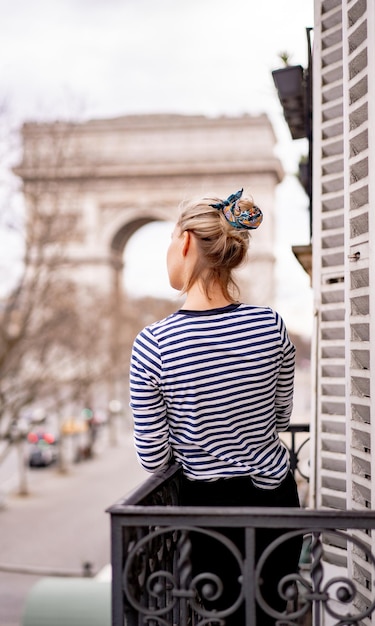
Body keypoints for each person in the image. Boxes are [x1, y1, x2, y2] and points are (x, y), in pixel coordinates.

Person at [129, 188, 302, 624]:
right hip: (277, 502)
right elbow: (280, 419)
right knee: (271, 613)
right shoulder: (270, 325)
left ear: (186, 241)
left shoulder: (153, 345)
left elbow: (153, 457)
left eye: (170, 239)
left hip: (208, 515)